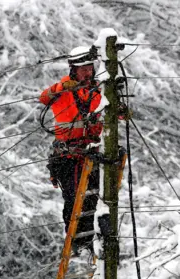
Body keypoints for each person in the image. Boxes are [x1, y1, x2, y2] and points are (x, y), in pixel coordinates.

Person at [40, 46, 103, 255]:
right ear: (73, 70)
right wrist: (61, 87)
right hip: (68, 157)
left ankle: (89, 242)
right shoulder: (64, 92)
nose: (87, 72)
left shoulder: (98, 93)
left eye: (89, 68)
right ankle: (76, 242)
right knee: (74, 200)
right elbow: (44, 98)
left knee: (93, 200)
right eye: (82, 68)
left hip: (92, 154)